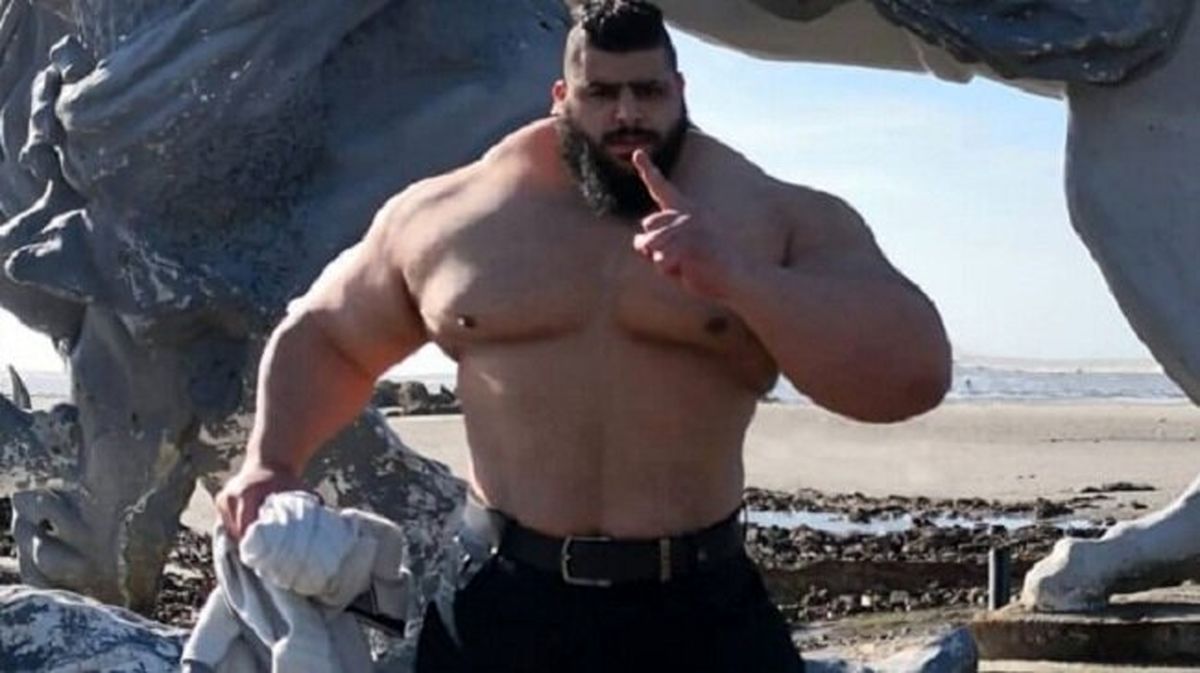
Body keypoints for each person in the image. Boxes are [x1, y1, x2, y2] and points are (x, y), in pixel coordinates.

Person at [216, 1, 952, 670]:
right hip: (501, 596)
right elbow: (328, 334)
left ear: (681, 91)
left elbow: (913, 373)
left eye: (648, 91)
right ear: (561, 97)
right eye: (602, 94)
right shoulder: (452, 216)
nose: (628, 114)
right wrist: (270, 462)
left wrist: (741, 279)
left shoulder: (771, 216)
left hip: (697, 601)